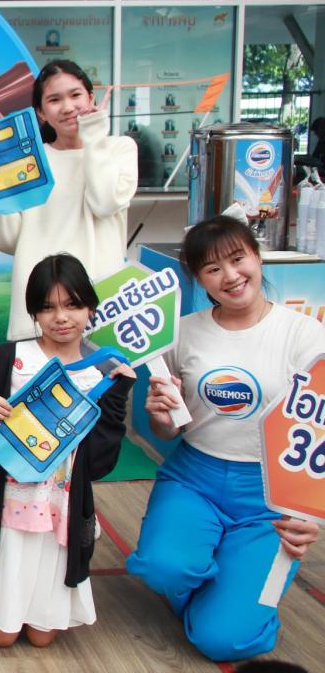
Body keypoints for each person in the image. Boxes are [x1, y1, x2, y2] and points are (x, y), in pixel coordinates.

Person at [126, 215, 324, 661]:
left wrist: (311, 511)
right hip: (194, 477)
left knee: (222, 641)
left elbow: (319, 434)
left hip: (270, 497)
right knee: (162, 567)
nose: (231, 276)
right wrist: (161, 417)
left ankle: (237, 599)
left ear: (257, 257)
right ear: (199, 280)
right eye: (213, 269)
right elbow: (167, 430)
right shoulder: (182, 333)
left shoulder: (306, 336)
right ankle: (220, 580)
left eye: (238, 260)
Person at [0, 254, 134, 648]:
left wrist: (118, 397)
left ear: (90, 308)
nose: (61, 317)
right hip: (7, 508)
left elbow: (99, 464)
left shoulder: (102, 373)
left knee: (41, 637)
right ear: (34, 313)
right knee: (4, 637)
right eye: (48, 307)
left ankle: (15, 602)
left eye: (73, 305)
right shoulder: (13, 357)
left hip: (59, 510)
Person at [0, 59, 138, 342]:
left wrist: (94, 137)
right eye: (54, 100)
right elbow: (9, 240)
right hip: (41, 307)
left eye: (75, 95)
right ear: (40, 112)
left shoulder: (119, 149)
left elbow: (104, 202)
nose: (68, 107)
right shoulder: (29, 161)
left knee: (105, 370)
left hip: (104, 305)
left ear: (91, 98)